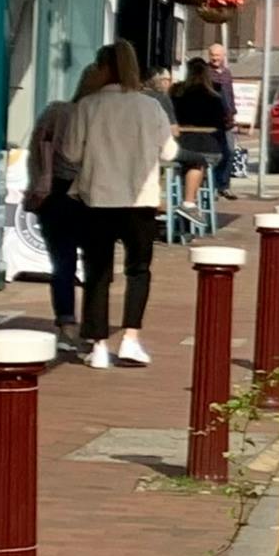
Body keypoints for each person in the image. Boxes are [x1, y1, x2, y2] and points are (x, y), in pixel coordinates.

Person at [65, 40, 176, 370]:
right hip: (139, 200)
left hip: (97, 198)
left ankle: (98, 344)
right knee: (138, 270)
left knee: (97, 272)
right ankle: (131, 338)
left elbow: (70, 153)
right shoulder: (150, 107)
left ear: (102, 68)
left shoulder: (88, 106)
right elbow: (169, 152)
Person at [25, 64, 110, 352]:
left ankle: (65, 322)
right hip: (90, 192)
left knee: (62, 261)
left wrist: (39, 183)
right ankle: (92, 327)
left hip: (55, 193)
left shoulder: (56, 111)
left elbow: (36, 150)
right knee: (95, 263)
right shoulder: (99, 117)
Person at [170, 57, 228, 212]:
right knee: (207, 159)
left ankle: (184, 197)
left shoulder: (177, 92)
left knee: (181, 166)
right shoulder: (214, 95)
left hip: (181, 145)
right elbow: (223, 124)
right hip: (208, 147)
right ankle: (194, 199)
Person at [207, 43, 238, 198]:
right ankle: (212, 186)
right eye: (212, 55)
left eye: (218, 55)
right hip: (212, 120)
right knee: (215, 153)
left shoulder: (227, 73)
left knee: (229, 152)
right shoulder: (206, 73)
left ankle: (224, 185)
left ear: (223, 56)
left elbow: (230, 95)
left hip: (227, 120)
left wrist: (233, 113)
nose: (215, 58)